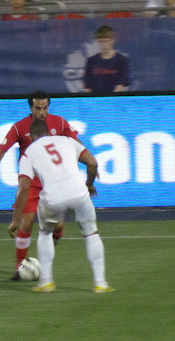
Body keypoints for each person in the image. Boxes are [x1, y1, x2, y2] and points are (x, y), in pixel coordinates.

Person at [0, 91, 79, 280]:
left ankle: (47, 253)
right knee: (25, 223)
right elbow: (2, 150)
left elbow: (75, 144)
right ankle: (19, 267)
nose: (42, 112)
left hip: (54, 183)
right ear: (31, 108)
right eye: (38, 108)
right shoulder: (20, 127)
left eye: (45, 108)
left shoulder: (60, 123)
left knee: (58, 227)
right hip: (31, 183)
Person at [12, 120, 113, 294]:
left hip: (53, 197)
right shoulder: (67, 140)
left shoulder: (28, 153)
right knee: (91, 233)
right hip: (79, 193)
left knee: (45, 233)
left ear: (31, 136)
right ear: (48, 133)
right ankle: (101, 283)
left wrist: (15, 219)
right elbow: (93, 163)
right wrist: (89, 184)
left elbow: (24, 186)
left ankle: (46, 282)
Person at [82, 25, 131, 93]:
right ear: (97, 41)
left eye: (107, 41)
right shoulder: (91, 61)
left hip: (114, 101)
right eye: (101, 41)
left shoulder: (121, 60)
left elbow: (120, 86)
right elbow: (87, 86)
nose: (105, 44)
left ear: (113, 40)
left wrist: (109, 101)